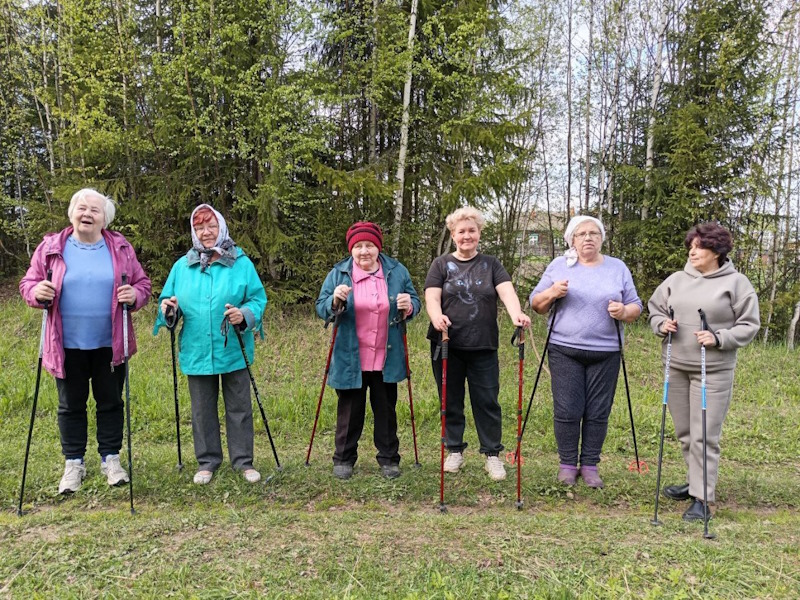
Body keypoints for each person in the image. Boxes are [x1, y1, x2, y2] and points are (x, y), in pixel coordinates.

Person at [19, 188, 151, 494]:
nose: (87, 214)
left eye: (94, 209)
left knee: (111, 402)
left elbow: (142, 284)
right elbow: (29, 283)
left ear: (105, 218)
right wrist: (37, 292)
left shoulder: (120, 247)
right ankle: (74, 463)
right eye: (81, 208)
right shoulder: (51, 247)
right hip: (65, 344)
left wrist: (135, 295)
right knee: (70, 405)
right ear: (71, 213)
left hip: (110, 343)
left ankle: (111, 459)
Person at [648, 222, 759, 521]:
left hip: (713, 371)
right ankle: (695, 482)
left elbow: (749, 325)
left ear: (717, 251)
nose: (692, 252)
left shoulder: (736, 283)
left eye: (699, 247)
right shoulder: (675, 280)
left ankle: (703, 498)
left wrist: (719, 338)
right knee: (686, 434)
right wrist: (661, 325)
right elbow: (655, 309)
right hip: (676, 367)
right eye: (691, 247)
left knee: (704, 436)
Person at [154, 204, 267, 485]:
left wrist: (244, 314)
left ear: (221, 227)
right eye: (200, 227)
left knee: (239, 407)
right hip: (197, 348)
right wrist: (169, 310)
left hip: (234, 348)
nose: (206, 232)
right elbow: (168, 302)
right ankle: (207, 462)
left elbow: (257, 298)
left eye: (211, 226)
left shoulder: (241, 263)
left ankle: (243, 462)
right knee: (202, 410)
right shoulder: (183, 266)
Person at [529, 215, 642, 488]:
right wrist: (552, 292)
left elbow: (635, 306)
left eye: (594, 233)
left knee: (598, 410)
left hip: (606, 350)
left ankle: (590, 465)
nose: (588, 238)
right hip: (564, 348)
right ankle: (568, 464)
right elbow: (536, 304)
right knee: (568, 408)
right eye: (582, 234)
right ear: (572, 240)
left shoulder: (617, 267)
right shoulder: (559, 266)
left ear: (602, 238)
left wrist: (623, 311)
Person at [425, 207, 531, 482]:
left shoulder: (491, 264)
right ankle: (454, 450)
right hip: (447, 343)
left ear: (479, 233)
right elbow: (432, 297)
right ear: (453, 235)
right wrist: (436, 317)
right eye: (461, 231)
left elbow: (507, 292)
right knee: (450, 399)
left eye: (472, 230)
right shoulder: (440, 264)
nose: (467, 236)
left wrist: (516, 314)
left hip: (483, 344)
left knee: (487, 401)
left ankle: (492, 454)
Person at [316, 222, 420, 480]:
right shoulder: (339, 273)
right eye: (359, 246)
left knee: (386, 410)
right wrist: (334, 301)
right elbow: (321, 306)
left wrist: (409, 306)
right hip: (351, 356)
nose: (364, 251)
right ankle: (343, 459)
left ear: (378, 247)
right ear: (351, 249)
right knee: (349, 412)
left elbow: (415, 301)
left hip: (386, 355)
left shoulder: (396, 271)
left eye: (370, 245)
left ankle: (389, 459)